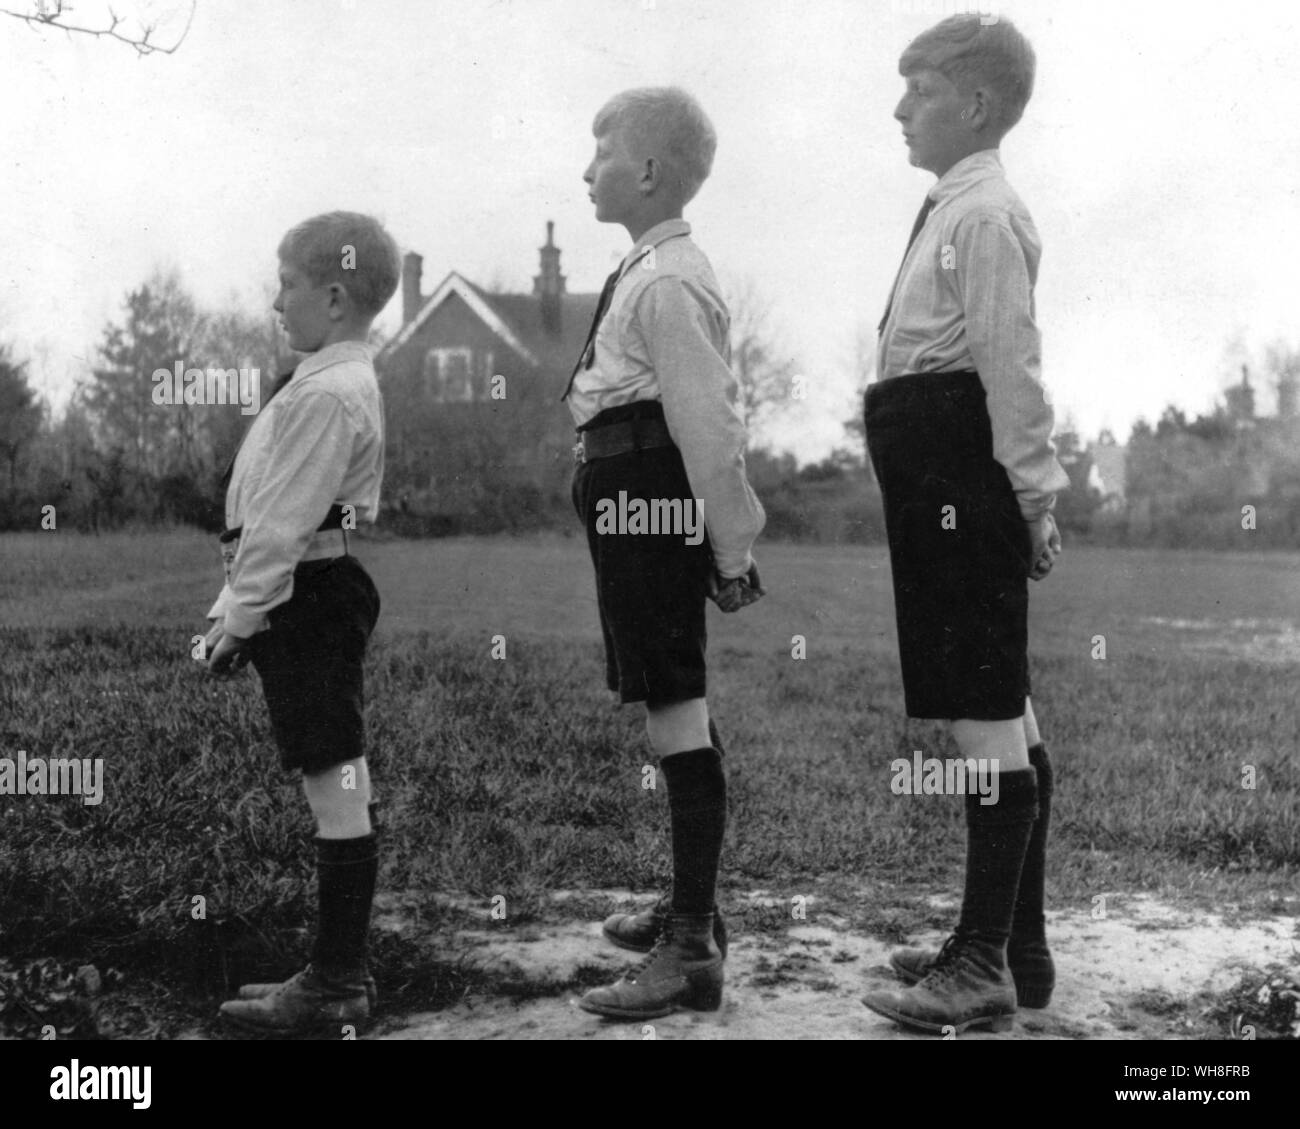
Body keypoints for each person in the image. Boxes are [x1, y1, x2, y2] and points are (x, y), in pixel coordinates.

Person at [859, 15, 1067, 1034]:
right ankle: (1015, 946)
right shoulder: (951, 207)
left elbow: (1009, 369)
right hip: (932, 463)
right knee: (996, 704)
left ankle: (981, 960)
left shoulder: (984, 215)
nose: (900, 108)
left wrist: (1031, 495)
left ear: (975, 105)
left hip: (961, 468)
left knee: (981, 709)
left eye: (919, 90)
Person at [566, 86, 766, 1020]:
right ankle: (695, 914)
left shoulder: (670, 279)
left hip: (652, 500)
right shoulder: (647, 271)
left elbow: (709, 427)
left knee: (675, 704)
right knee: (668, 700)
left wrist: (731, 547)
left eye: (600, 152)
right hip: (626, 495)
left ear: (646, 172)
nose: (586, 169)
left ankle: (690, 948)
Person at [205, 210, 399, 1035]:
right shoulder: (328, 379)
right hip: (310, 588)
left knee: (333, 778)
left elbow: (280, 526)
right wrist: (236, 605)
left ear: (334, 296)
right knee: (334, 774)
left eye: (285, 284)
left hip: (309, 596)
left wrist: (239, 620)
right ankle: (334, 973)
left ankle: (335, 983)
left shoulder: (327, 391)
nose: (275, 302)